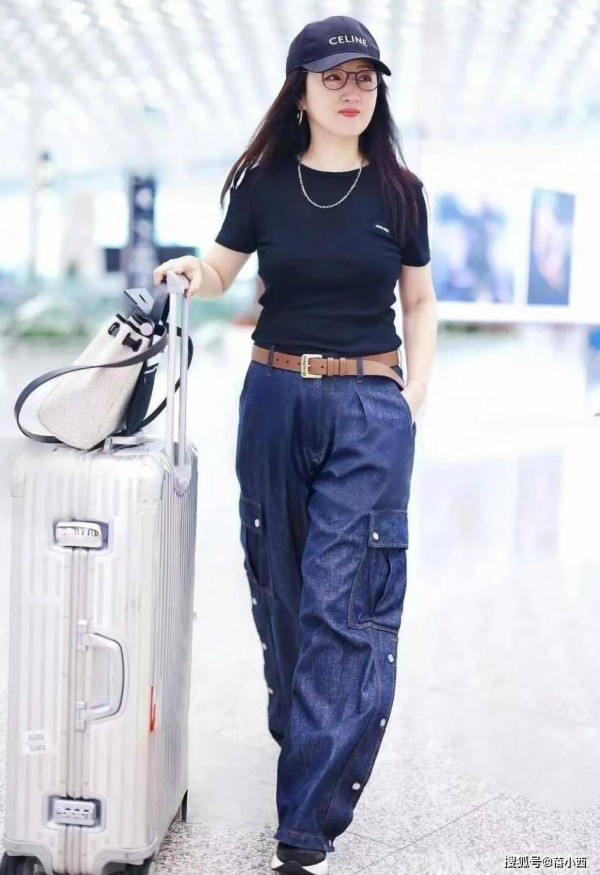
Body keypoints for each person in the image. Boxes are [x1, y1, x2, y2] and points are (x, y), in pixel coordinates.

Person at [153, 14, 437, 875]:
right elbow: (222, 270)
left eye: (365, 79)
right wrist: (190, 272)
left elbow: (419, 301)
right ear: (302, 92)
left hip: (368, 407)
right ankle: (303, 723)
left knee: (337, 603)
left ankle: (304, 823)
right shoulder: (266, 185)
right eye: (334, 77)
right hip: (275, 397)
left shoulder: (399, 191)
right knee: (281, 588)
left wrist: (413, 396)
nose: (352, 92)